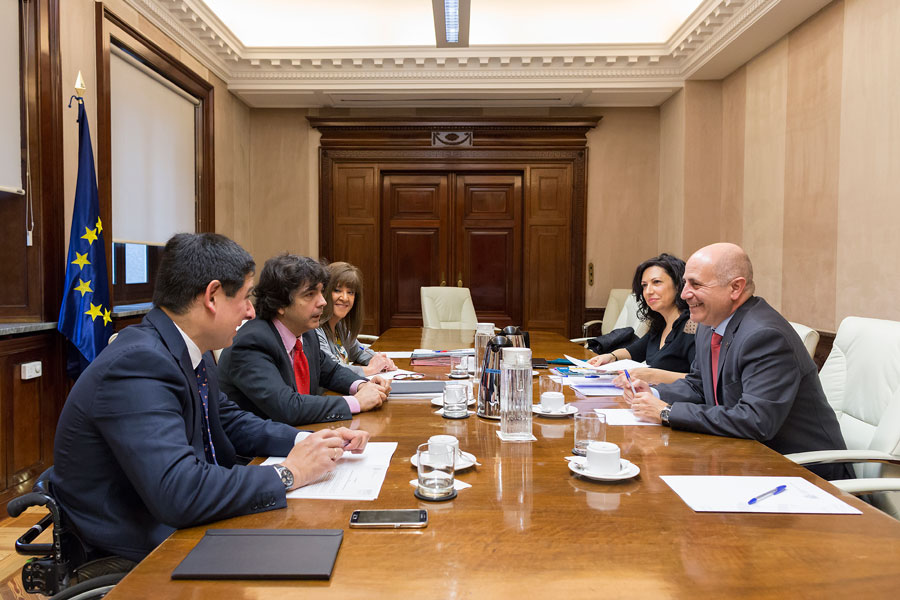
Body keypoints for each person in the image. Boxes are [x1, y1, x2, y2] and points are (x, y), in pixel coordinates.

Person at [50, 233, 369, 562]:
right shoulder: (137, 364)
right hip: (150, 544)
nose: (250, 311)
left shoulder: (186, 350)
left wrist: (311, 441)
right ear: (212, 296)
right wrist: (289, 473)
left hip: (192, 519)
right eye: (245, 298)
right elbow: (179, 490)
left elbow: (231, 421)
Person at [625, 242, 849, 480]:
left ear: (735, 287)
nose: (684, 294)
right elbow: (698, 384)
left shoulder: (765, 335)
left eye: (696, 284)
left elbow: (756, 420)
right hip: (743, 461)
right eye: (685, 283)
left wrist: (668, 412)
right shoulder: (708, 325)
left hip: (803, 476)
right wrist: (655, 394)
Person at [218, 254, 390, 426]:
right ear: (280, 304)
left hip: (302, 435)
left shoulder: (306, 333)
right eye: (310, 294)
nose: (323, 302)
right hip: (260, 450)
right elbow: (287, 407)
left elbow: (330, 372)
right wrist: (356, 402)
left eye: (321, 292)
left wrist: (361, 385)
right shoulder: (252, 343)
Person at [588, 253, 696, 385]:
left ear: (678, 285)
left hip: (675, 403)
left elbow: (699, 381)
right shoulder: (660, 324)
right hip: (648, 397)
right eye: (644, 285)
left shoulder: (692, 325)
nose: (648, 291)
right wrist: (611, 356)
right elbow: (633, 351)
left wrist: (651, 375)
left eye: (656, 282)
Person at [316, 261, 395, 379]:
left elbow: (359, 351)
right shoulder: (314, 330)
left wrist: (381, 361)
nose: (345, 298)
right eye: (337, 290)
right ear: (324, 292)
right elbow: (333, 369)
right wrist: (370, 369)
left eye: (350, 292)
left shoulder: (340, 326)